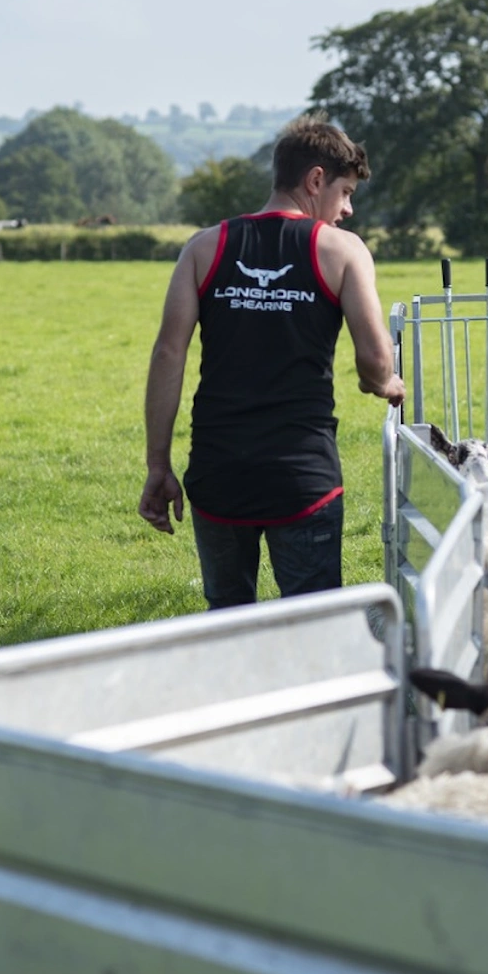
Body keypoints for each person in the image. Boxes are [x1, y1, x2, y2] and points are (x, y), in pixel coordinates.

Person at [138, 114, 404, 608]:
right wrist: (385, 383)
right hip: (302, 480)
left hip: (218, 476)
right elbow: (373, 360)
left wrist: (158, 464)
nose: (346, 210)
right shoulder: (342, 252)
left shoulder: (204, 247)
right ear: (316, 179)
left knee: (229, 624)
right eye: (345, 193)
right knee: (314, 626)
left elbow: (168, 354)